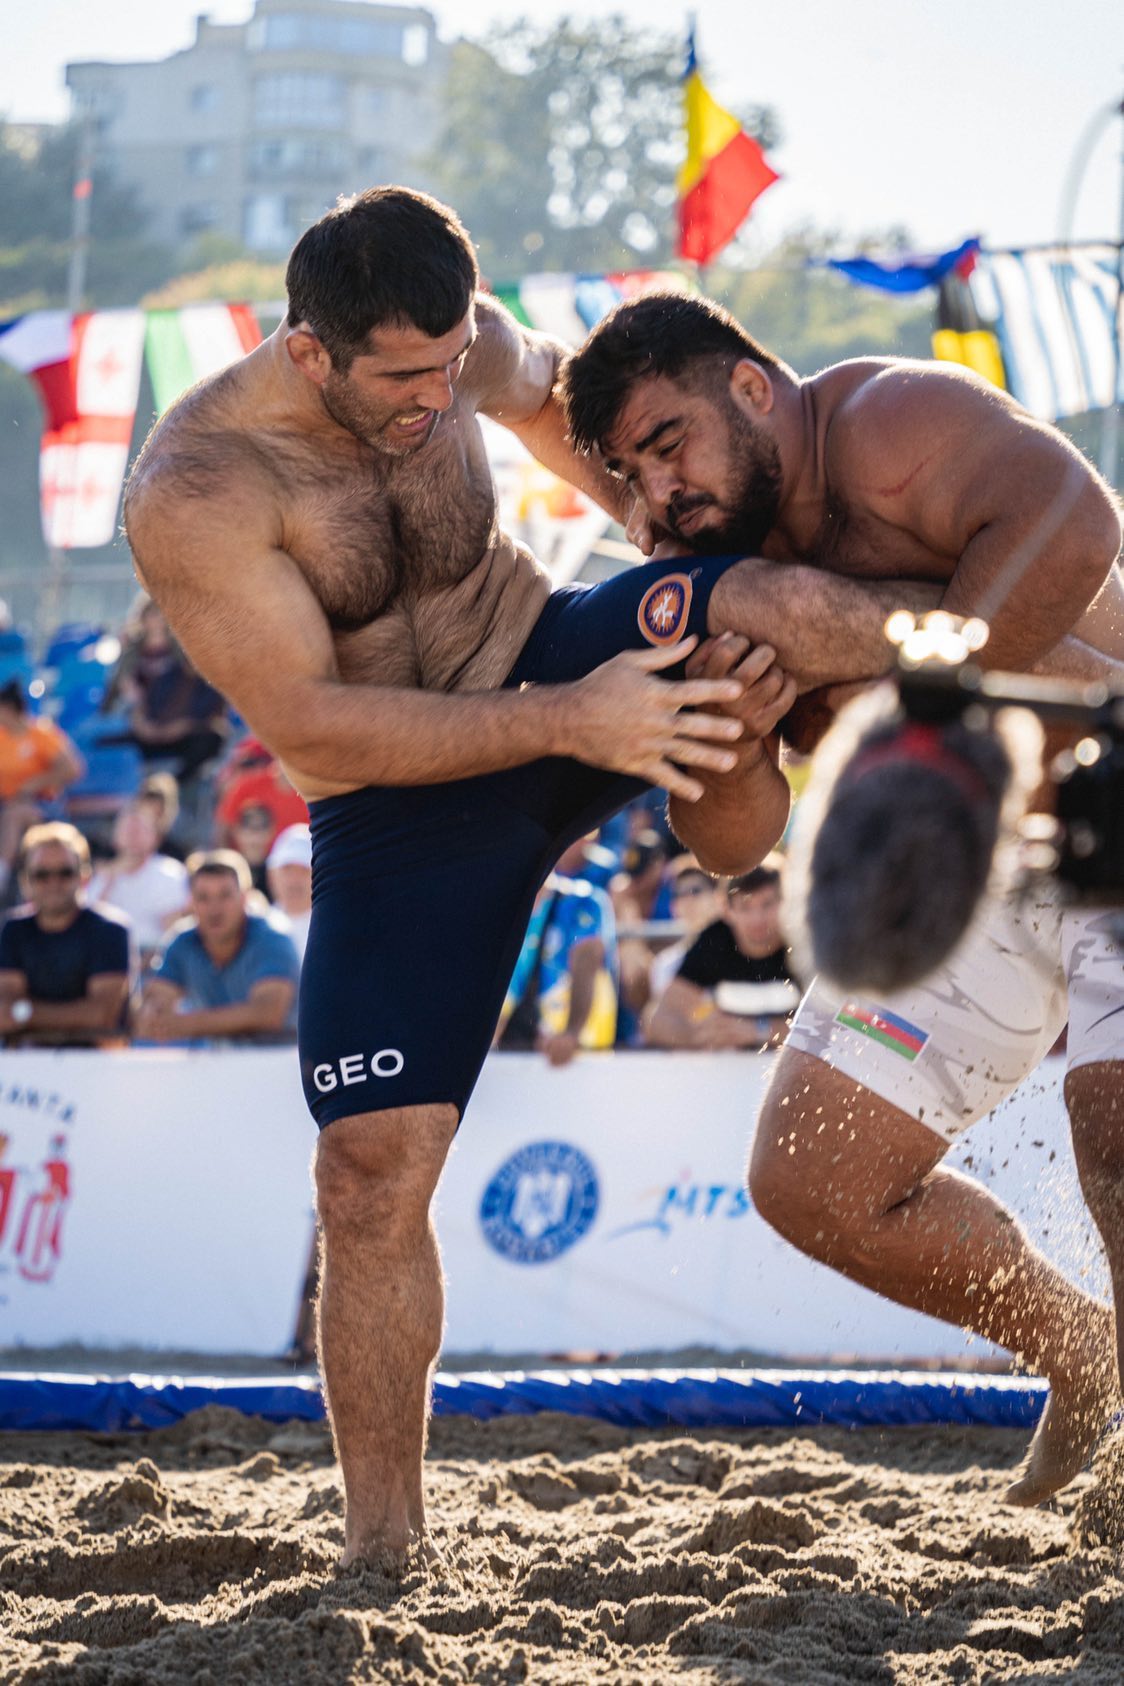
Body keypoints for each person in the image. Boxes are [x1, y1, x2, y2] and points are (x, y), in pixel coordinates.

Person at [121, 186, 954, 1564]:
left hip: (550, 644)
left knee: (757, 603)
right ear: (310, 349)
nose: (436, 396)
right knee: (368, 1174)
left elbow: (565, 418)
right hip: (397, 803)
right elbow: (318, 724)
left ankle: (1053, 673)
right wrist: (577, 725)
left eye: (452, 365)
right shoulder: (198, 488)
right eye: (404, 378)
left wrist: (678, 551)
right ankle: (384, 1547)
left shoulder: (463, 352)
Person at [562, 288, 1124, 1506]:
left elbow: (1076, 526)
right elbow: (727, 839)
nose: (660, 494)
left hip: (1104, 785)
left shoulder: (884, 423)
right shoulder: (703, 569)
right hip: (953, 849)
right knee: (812, 1179)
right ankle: (1085, 1355)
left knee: (1111, 1115)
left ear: (752, 391)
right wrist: (742, 728)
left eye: (670, 445)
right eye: (631, 475)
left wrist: (874, 654)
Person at [135, 851, 299, 1044]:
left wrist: (183, 1025)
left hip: (287, 1065)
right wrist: (152, 1012)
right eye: (203, 897)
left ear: (244, 898)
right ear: (191, 903)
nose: (215, 908)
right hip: (217, 1065)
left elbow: (268, 1014)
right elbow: (154, 1008)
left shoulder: (273, 938)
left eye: (225, 895)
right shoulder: (181, 942)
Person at [646, 858, 799, 1050]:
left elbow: (837, 1026)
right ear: (726, 910)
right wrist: (701, 1036)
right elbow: (658, 1020)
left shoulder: (805, 944)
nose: (757, 918)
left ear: (786, 903)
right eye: (745, 907)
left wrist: (757, 1030)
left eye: (767, 904)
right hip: (727, 1072)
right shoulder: (714, 941)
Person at [0, 822, 130, 1046]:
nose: (54, 882)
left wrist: (26, 1013)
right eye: (42, 874)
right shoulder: (13, 930)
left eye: (65, 872)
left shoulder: (110, 930)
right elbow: (4, 1012)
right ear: (25, 881)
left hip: (97, 1068)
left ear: (85, 876)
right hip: (23, 1068)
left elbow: (102, 1016)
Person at [497, 857, 618, 1066]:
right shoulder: (501, 911)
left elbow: (587, 960)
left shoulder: (583, 901)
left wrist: (571, 1033)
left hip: (583, 1057)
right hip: (520, 1053)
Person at [102, 597, 228, 781]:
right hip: (145, 724)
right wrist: (148, 725)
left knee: (210, 741)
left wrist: (176, 727)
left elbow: (212, 715)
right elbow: (134, 701)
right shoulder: (164, 675)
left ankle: (174, 785)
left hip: (183, 732)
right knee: (106, 745)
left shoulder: (206, 678)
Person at [0, 681, 85, 902]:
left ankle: (3, 877)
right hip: (6, 802)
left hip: (43, 805)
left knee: (15, 816)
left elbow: (73, 769)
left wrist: (32, 785)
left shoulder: (41, 734)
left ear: (9, 709)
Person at [88, 802, 189, 962]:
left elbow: (173, 933)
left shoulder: (171, 874)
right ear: (115, 837)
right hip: (110, 959)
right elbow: (91, 926)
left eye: (139, 830)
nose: (133, 836)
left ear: (155, 837)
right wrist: (108, 882)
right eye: (127, 830)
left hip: (158, 961)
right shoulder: (101, 878)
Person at [644, 855, 723, 1008]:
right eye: (678, 894)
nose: (686, 900)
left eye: (695, 891)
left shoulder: (740, 953)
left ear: (717, 896)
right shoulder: (664, 964)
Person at [267, 823, 312, 959]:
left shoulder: (333, 930)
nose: (294, 880)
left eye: (304, 871)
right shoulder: (256, 928)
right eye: (287, 870)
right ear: (271, 875)